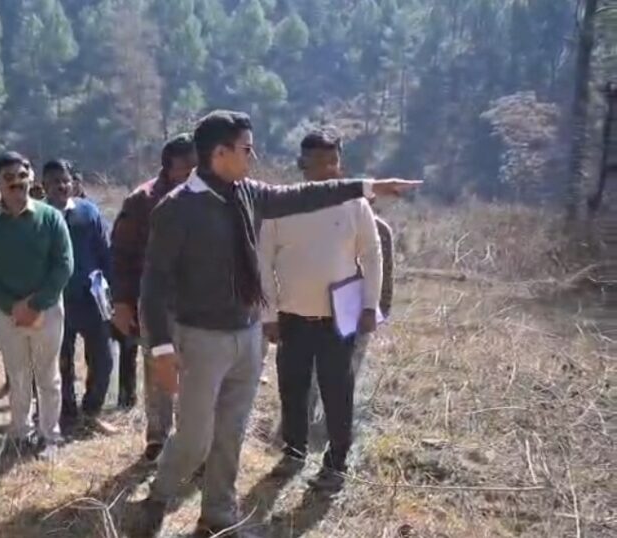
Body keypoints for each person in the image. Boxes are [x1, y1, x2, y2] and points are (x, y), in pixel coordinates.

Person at [130, 111, 419, 537]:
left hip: (247, 337)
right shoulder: (177, 208)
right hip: (202, 338)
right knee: (195, 438)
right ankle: (159, 496)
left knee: (231, 432)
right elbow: (154, 282)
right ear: (220, 153)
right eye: (247, 149)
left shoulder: (248, 193)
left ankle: (217, 515)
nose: (253, 156)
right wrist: (161, 348)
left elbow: (305, 194)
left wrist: (367, 187)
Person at [258, 129, 385, 492]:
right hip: (292, 318)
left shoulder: (355, 204)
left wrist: (370, 305)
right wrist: (269, 315)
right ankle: (294, 452)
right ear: (303, 163)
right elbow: (263, 261)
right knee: (293, 389)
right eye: (319, 162)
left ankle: (337, 463)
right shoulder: (281, 205)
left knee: (337, 391)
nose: (329, 169)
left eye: (334, 161)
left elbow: (372, 256)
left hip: (338, 318)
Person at [0, 152, 74, 461]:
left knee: (48, 376)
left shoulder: (50, 217)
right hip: (8, 315)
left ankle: (50, 435)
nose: (17, 183)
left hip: (48, 310)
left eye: (22, 175)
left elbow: (64, 265)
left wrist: (35, 304)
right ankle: (20, 432)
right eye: (9, 178)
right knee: (17, 375)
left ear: (30, 177)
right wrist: (11, 306)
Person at [110, 133, 197, 461]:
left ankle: (191, 439)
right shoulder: (142, 200)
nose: (193, 171)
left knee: (197, 372)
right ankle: (158, 437)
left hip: (200, 303)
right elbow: (121, 255)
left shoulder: (210, 196)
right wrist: (122, 303)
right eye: (187, 165)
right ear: (169, 166)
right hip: (156, 303)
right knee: (159, 372)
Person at [43, 159, 117, 436]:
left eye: (66, 180)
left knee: (103, 358)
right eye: (55, 182)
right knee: (60, 362)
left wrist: (113, 291)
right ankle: (66, 415)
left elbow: (104, 251)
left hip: (91, 299)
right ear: (44, 186)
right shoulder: (38, 217)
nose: (62, 186)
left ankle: (91, 412)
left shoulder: (89, 211)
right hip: (54, 301)